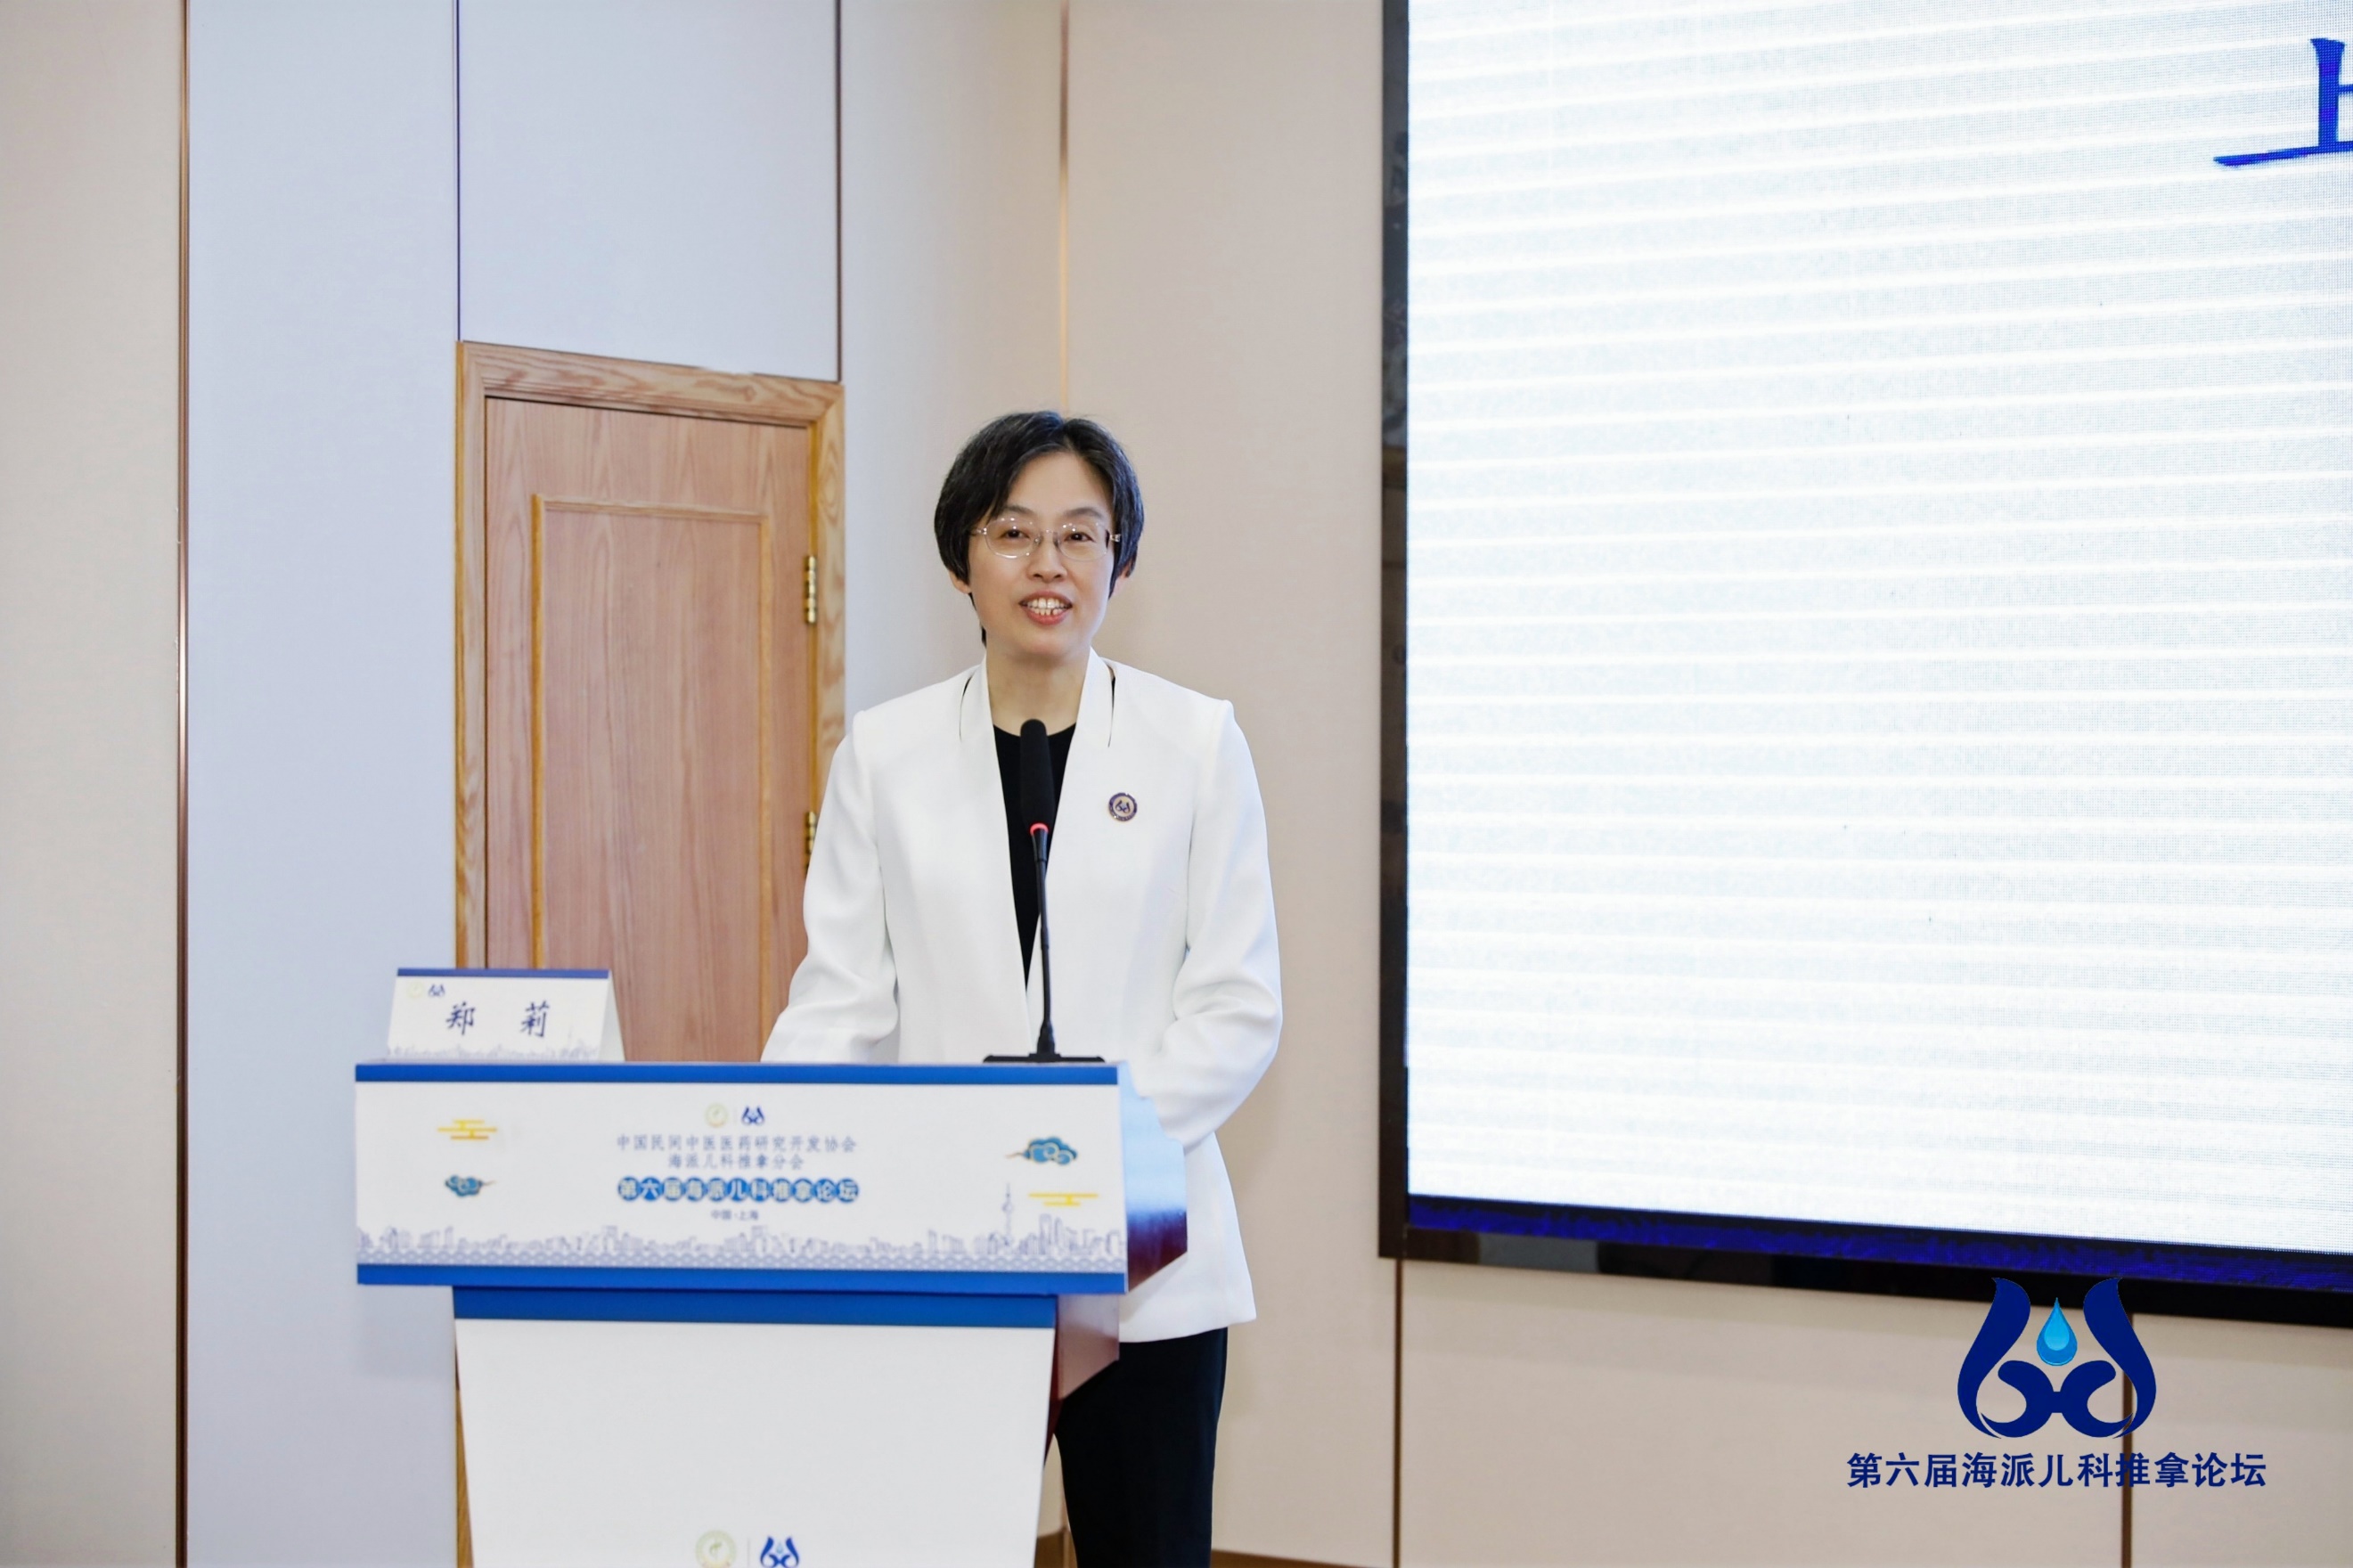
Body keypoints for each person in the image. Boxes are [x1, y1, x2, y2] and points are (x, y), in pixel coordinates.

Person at [762, 411, 1281, 1566]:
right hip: (942, 1250)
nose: (1049, 565)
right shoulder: (885, 754)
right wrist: (776, 1149)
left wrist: (1086, 1150)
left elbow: (1237, 1006)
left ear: (1119, 562)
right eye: (1013, 533)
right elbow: (841, 1002)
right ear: (963, 559)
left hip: (1145, 1265)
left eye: (1080, 536)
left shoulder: (1196, 744)